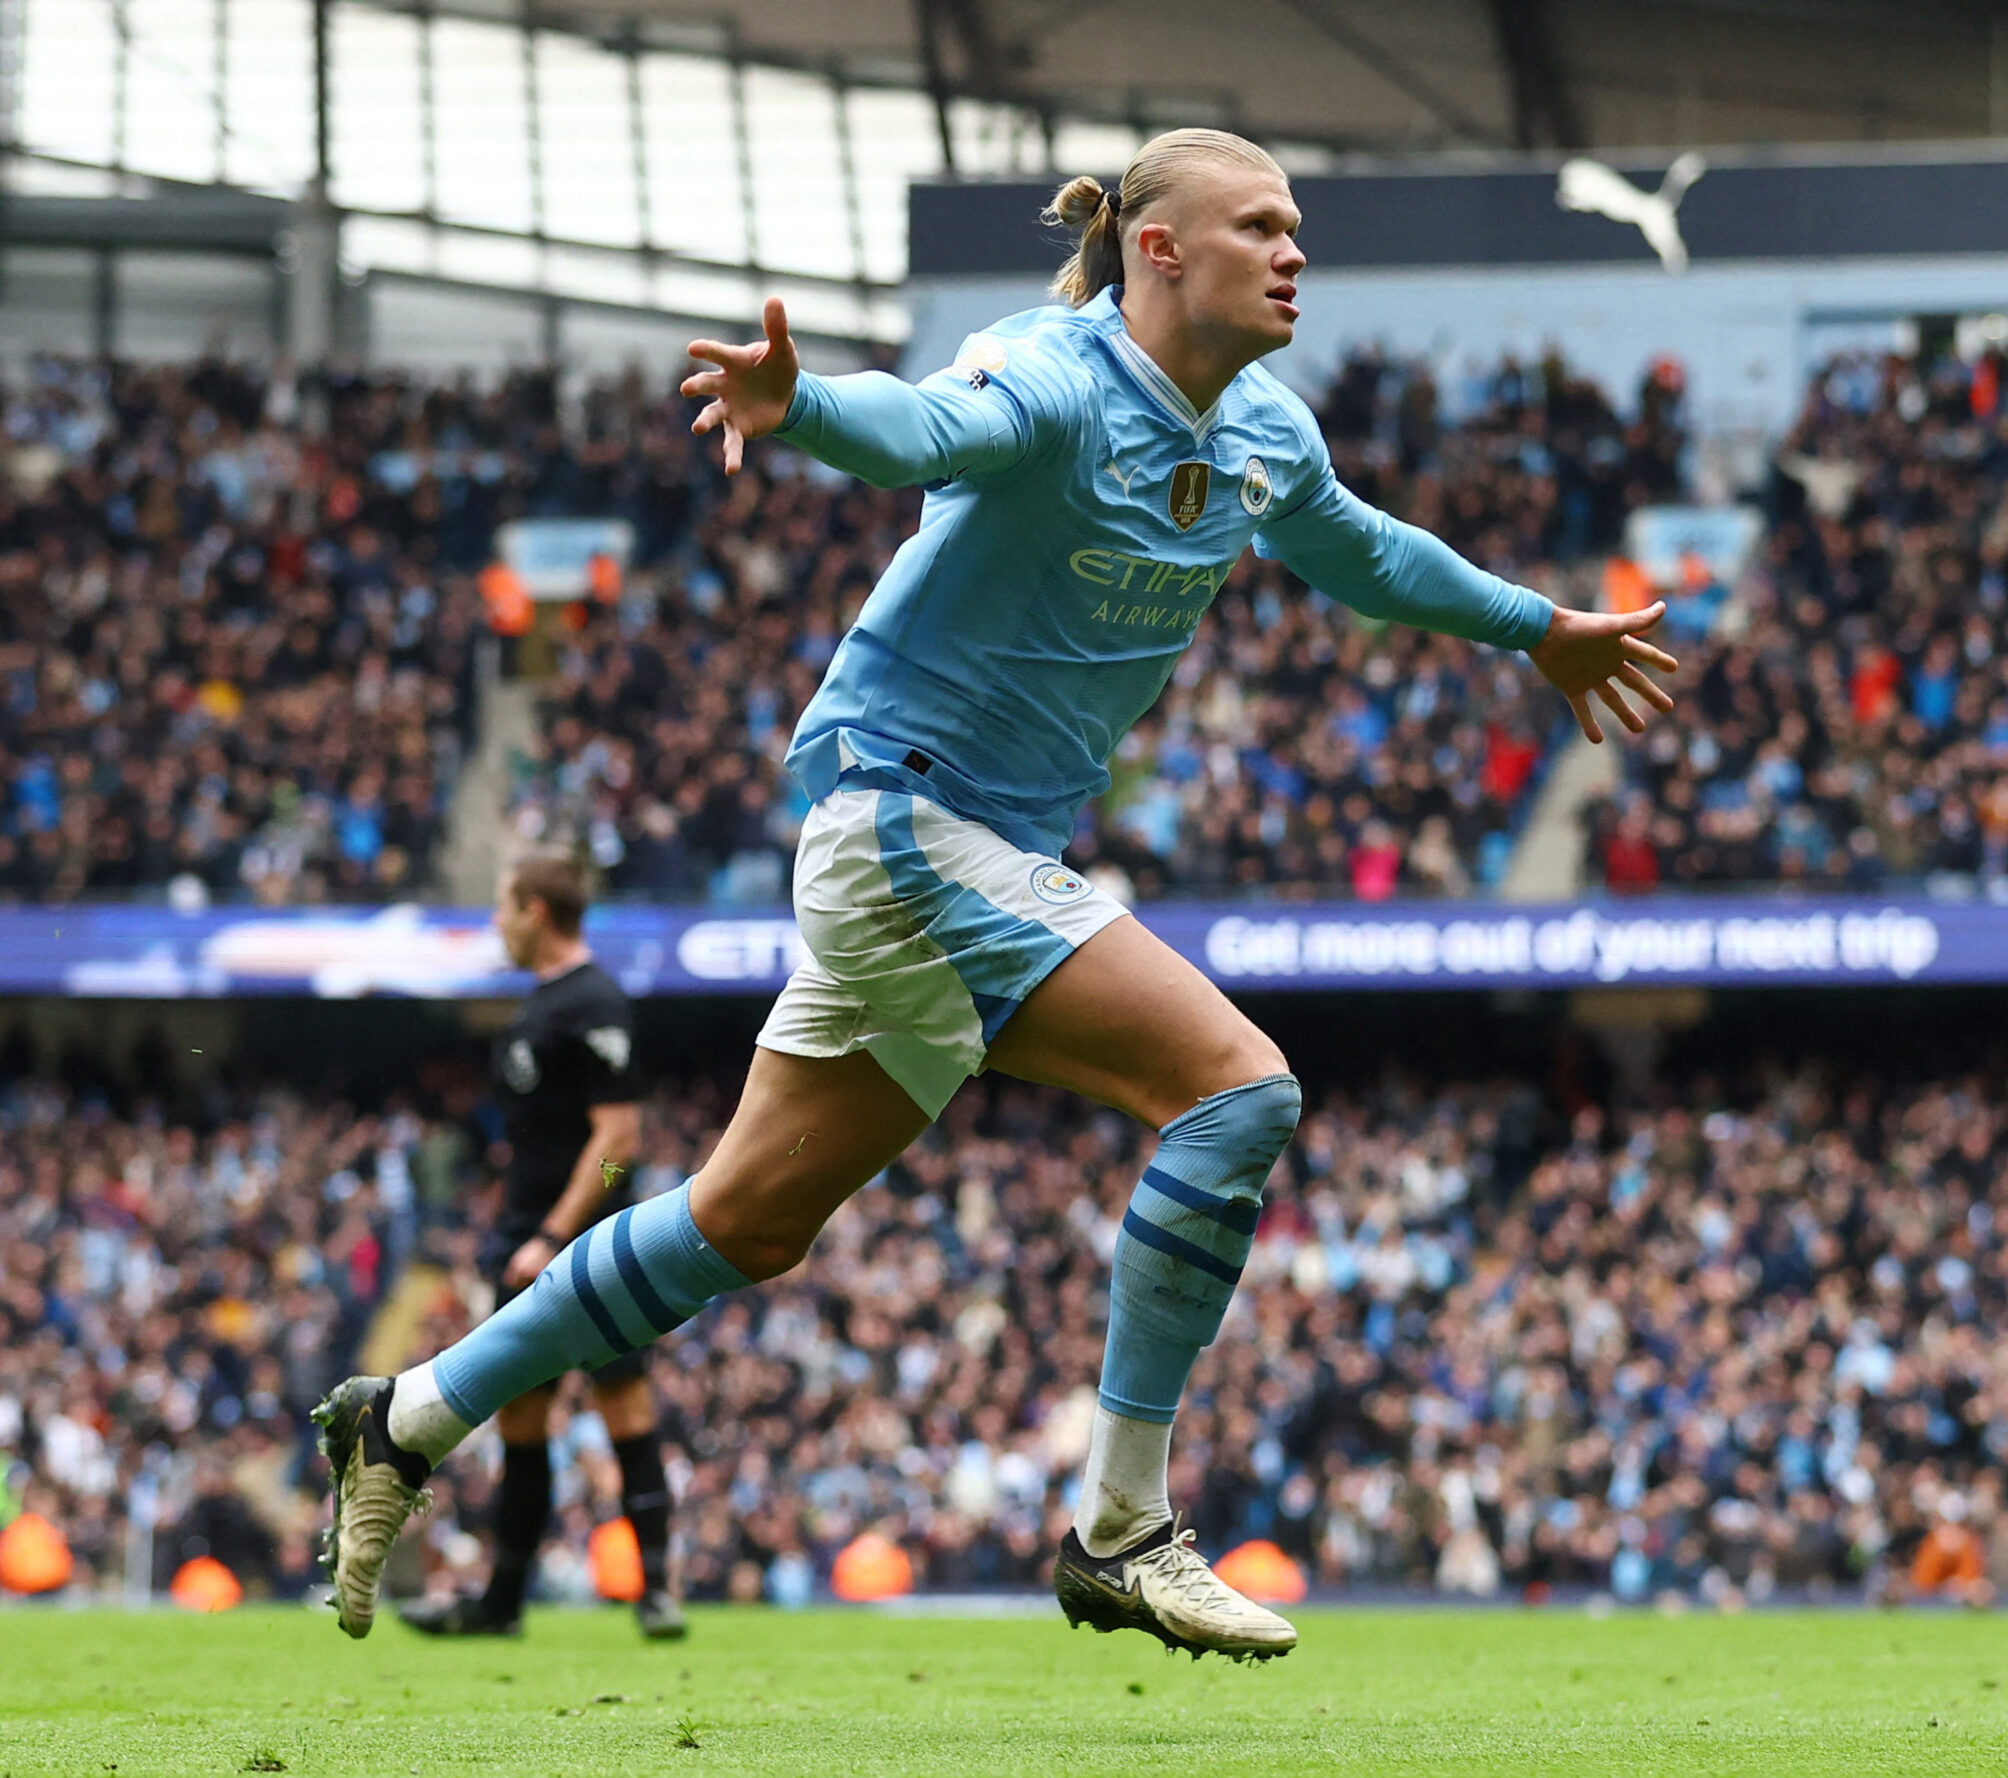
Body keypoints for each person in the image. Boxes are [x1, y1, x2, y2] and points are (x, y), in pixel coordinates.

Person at [312, 127, 1676, 1660]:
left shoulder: (1264, 431)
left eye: (1299, 229)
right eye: (1261, 226)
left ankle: (410, 1413)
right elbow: (915, 430)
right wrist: (800, 403)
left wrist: (1533, 626)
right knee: (1236, 1091)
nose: (1294, 253)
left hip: (949, 847)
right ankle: (1124, 1527)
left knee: (745, 1221)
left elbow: (1358, 550)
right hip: (905, 814)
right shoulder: (1055, 375)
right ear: (1158, 250)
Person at [397, 853, 683, 1640]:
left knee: (622, 1404)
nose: (496, 922)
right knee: (521, 1418)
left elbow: (620, 1140)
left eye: (502, 907)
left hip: (587, 1247)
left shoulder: (595, 1002)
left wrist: (557, 1235)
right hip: (523, 1239)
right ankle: (502, 1603)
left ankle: (657, 1593)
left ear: (535, 910)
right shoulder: (541, 1007)